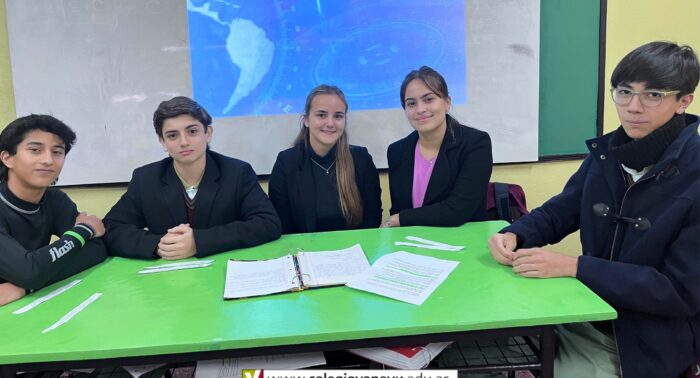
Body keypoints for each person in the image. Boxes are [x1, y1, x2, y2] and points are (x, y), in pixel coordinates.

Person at [481, 41, 700, 378]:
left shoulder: (694, 173)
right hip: (578, 308)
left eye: (653, 95)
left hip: (639, 342)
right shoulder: (608, 154)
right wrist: (516, 233)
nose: (633, 107)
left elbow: (679, 292)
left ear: (684, 101)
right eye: (624, 92)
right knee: (468, 350)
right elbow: (563, 209)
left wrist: (576, 267)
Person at [104, 96, 281, 259]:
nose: (184, 142)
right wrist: (159, 245)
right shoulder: (146, 179)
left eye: (192, 131)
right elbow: (112, 228)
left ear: (208, 133)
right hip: (169, 275)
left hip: (223, 268)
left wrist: (199, 242)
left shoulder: (237, 172)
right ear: (163, 142)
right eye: (172, 135)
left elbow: (268, 223)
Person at [0, 114, 106, 307]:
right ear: (7, 158)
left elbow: (97, 249)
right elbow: (29, 272)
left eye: (57, 152)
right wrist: (83, 231)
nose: (48, 160)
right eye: (35, 150)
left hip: (20, 302)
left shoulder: (55, 200)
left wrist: (27, 286)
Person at [386, 66, 492, 227]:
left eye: (429, 99)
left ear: (447, 103)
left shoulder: (475, 143)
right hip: (409, 240)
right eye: (411, 103)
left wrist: (399, 219)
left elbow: (457, 211)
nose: (420, 109)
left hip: (461, 239)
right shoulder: (396, 151)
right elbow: (398, 208)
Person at [269, 85, 382, 234]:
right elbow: (282, 225)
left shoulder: (361, 160)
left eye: (338, 116)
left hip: (355, 246)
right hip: (304, 247)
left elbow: (372, 219)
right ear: (306, 120)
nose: (330, 123)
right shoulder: (286, 163)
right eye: (321, 115)